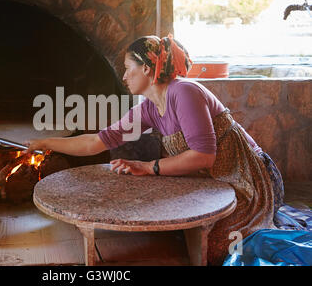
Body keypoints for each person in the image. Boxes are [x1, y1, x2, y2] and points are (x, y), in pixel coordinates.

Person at [25, 34, 284, 265]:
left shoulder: (184, 92)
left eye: (128, 69)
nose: (124, 77)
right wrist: (46, 143)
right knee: (174, 231)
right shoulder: (149, 108)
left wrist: (148, 167)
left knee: (217, 247)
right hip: (213, 183)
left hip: (251, 180)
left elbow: (204, 155)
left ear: (147, 69)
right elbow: (96, 142)